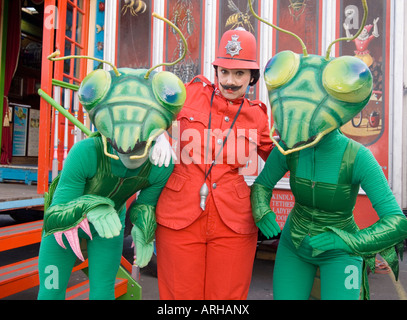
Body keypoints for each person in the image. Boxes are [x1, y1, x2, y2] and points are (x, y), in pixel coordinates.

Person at [155, 28, 274, 300]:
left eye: (239, 74)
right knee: (179, 297)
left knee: (227, 299)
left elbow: (281, 159)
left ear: (252, 77)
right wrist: (157, 133)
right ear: (216, 71)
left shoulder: (257, 117)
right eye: (224, 72)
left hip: (234, 221)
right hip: (179, 215)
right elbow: (151, 110)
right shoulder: (189, 94)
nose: (230, 81)